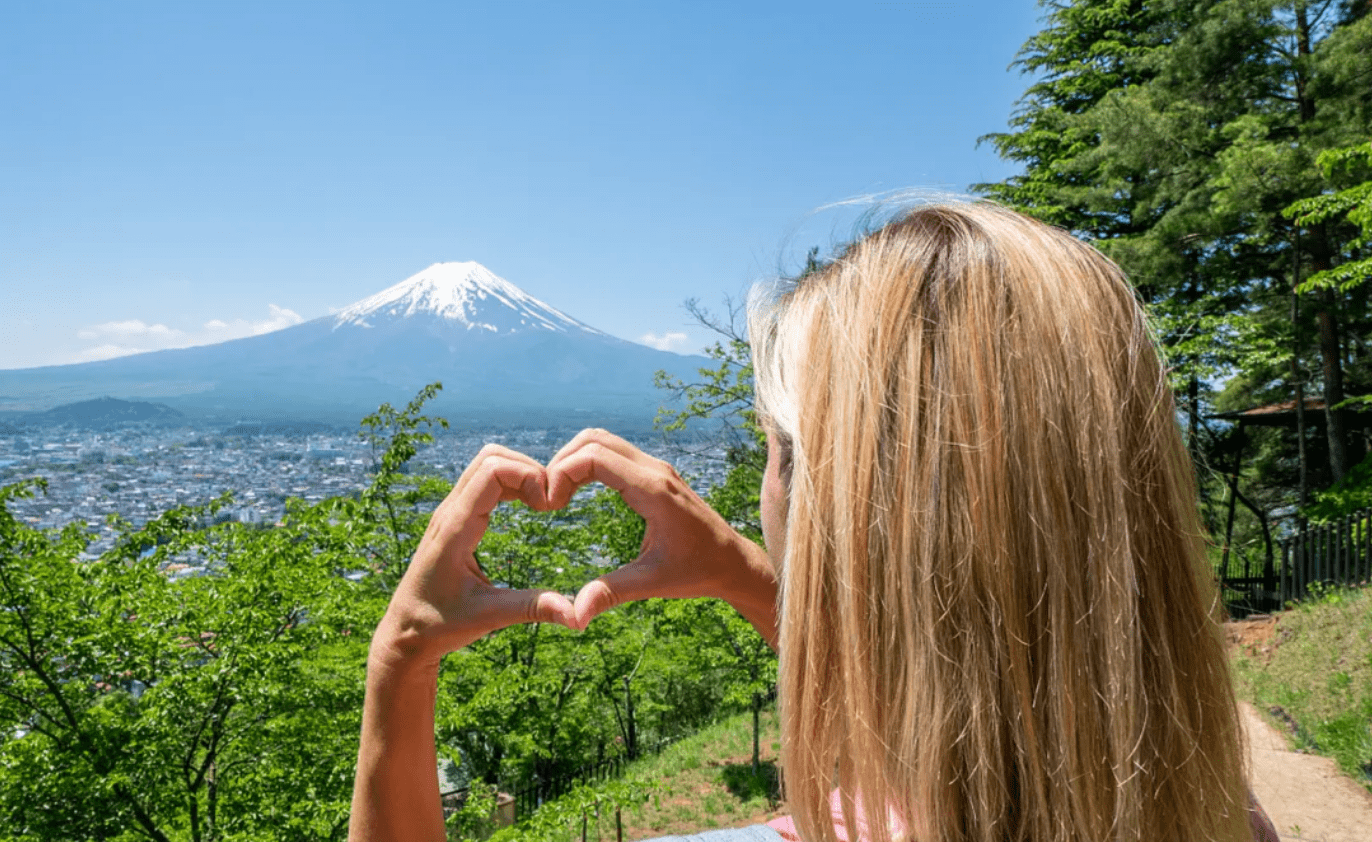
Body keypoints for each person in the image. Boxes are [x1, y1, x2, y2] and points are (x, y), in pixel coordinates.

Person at [348, 201, 1276, 842]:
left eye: (777, 451)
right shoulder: (1212, 809)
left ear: (839, 513)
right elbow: (958, 689)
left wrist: (401, 660)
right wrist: (745, 573)